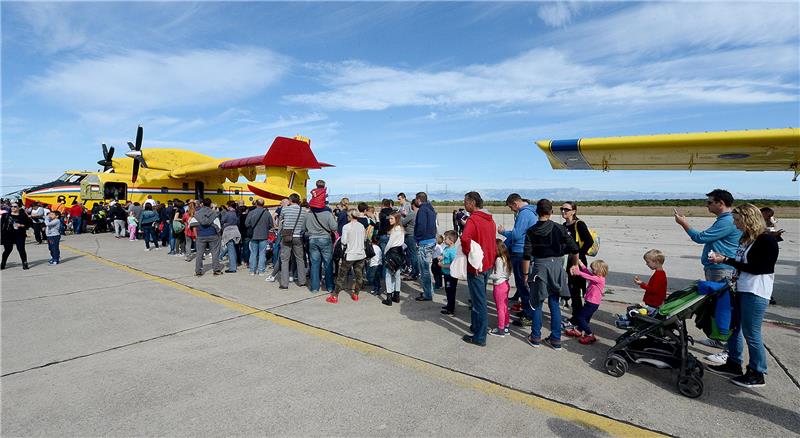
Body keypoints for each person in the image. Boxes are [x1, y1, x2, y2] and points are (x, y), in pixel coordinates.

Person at [707, 203, 779, 388]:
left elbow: (759, 268)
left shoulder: (766, 241)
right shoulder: (746, 239)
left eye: (738, 220)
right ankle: (733, 363)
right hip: (741, 288)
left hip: (755, 292)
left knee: (751, 333)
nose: (736, 224)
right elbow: (742, 264)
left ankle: (757, 372)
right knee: (734, 328)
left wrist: (726, 260)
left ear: (749, 219)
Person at [674, 189, 741, 349]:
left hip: (721, 269)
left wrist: (684, 223)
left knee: (723, 307)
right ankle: (718, 340)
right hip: (717, 268)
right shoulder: (724, 219)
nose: (707, 205)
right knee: (717, 306)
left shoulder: (726, 221)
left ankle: (725, 347)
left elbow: (701, 237)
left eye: (710, 202)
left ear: (721, 203)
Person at [521, 199, 579, 350]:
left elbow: (526, 256)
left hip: (540, 267)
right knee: (554, 304)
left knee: (537, 303)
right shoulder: (560, 228)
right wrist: (574, 264)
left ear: (536, 212)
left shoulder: (531, 231)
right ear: (551, 212)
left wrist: (526, 274)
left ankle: (535, 337)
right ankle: (556, 339)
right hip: (557, 268)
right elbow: (574, 248)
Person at [460, 191, 497, 347]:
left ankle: (480, 336)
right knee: (477, 299)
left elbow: (464, 238)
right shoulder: (490, 220)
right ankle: (475, 326)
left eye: (465, 202)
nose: (464, 205)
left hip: (476, 266)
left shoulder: (473, 220)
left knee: (479, 301)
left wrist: (470, 254)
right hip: (488, 263)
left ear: (472, 203)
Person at [498, 193, 538, 325]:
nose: (512, 210)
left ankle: (529, 315)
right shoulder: (530, 212)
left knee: (522, 284)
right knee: (523, 284)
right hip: (525, 251)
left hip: (520, 252)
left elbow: (516, 234)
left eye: (511, 207)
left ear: (515, 203)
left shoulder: (524, 213)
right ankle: (527, 310)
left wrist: (503, 232)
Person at [560, 201, 594, 329]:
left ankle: (578, 318)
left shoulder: (579, 224)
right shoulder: (564, 225)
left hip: (579, 262)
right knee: (573, 289)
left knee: (578, 290)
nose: (564, 211)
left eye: (567, 209)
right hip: (568, 261)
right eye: (562, 209)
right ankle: (578, 316)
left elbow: (589, 241)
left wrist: (578, 255)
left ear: (574, 211)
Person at [616, 249, 668, 329]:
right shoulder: (660, 273)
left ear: (656, 262)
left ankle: (630, 323)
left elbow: (654, 290)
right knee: (637, 310)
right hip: (654, 301)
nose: (647, 264)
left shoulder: (659, 275)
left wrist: (642, 284)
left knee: (638, 312)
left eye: (648, 262)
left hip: (654, 303)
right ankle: (628, 320)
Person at [565, 259, 609, 345]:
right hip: (590, 302)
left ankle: (590, 335)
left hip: (592, 303)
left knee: (580, 318)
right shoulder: (596, 277)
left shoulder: (600, 279)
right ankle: (579, 330)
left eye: (594, 269)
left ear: (600, 270)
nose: (592, 271)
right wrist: (581, 264)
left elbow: (587, 276)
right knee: (585, 318)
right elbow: (588, 273)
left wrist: (579, 272)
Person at [328, 209, 367, 303]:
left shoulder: (347, 226)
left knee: (341, 276)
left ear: (349, 216)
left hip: (350, 254)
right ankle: (356, 294)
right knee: (359, 276)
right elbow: (365, 238)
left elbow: (344, 241)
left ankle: (335, 296)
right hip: (360, 254)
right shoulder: (361, 226)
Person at [305, 203, 337, 292]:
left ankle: (315, 287)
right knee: (328, 263)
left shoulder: (308, 214)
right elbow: (334, 227)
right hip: (325, 239)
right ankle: (330, 286)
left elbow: (303, 228)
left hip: (312, 239)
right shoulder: (327, 214)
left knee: (314, 264)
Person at [278, 194, 307, 289]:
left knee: (285, 260)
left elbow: (281, 221)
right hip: (298, 236)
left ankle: (284, 283)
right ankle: (302, 281)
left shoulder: (285, 209)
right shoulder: (303, 210)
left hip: (286, 236)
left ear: (290, 200)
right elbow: (304, 224)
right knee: (300, 259)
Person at [413, 192, 438, 302]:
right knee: (426, 269)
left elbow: (421, 226)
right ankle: (429, 291)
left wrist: (417, 239)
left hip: (424, 242)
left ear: (418, 200)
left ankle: (428, 294)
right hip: (431, 241)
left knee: (424, 270)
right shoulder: (431, 209)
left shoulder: (422, 210)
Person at [191, 198, 223, 276]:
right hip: (213, 235)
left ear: (202, 204)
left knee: (199, 254)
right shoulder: (214, 213)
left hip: (201, 235)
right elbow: (218, 226)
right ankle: (216, 270)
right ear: (210, 204)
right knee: (215, 253)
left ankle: (198, 271)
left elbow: (192, 224)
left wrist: (196, 235)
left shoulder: (197, 213)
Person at [488, 238, 512, 337]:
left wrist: (488, 276)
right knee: (504, 307)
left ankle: (500, 329)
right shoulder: (505, 257)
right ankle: (506, 326)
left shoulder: (498, 259)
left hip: (499, 286)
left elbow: (497, 275)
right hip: (505, 284)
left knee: (500, 308)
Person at [245, 199, 274, 275]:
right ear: (263, 204)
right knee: (262, 253)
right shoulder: (267, 213)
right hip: (264, 235)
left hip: (253, 235)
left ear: (256, 204)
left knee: (253, 253)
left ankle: (252, 270)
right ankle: (261, 270)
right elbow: (271, 225)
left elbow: (246, 224)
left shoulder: (251, 213)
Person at [382, 212, 405, 306]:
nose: (389, 220)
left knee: (388, 274)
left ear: (397, 219)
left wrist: (384, 252)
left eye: (392, 218)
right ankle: (397, 295)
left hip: (392, 252)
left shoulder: (395, 230)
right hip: (400, 252)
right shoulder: (401, 229)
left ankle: (389, 297)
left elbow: (390, 243)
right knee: (397, 275)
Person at [1, 202, 32, 270]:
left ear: (19, 207)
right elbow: (1, 226)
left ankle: (25, 263)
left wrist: (21, 225)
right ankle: (3, 263)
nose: (13, 208)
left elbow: (29, 224)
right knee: (8, 250)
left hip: (19, 235)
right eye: (11, 206)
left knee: (21, 249)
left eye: (15, 206)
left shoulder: (23, 215)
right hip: (8, 235)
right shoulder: (5, 215)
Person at [438, 230, 459, 316]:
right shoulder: (447, 248)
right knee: (447, 290)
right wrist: (441, 257)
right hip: (446, 274)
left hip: (451, 275)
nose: (444, 240)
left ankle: (451, 309)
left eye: (446, 239)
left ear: (451, 241)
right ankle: (449, 305)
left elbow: (453, 264)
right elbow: (444, 255)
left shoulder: (453, 251)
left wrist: (442, 265)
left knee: (451, 291)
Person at [219, 201, 241, 273]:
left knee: (231, 251)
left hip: (229, 233)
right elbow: (238, 223)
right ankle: (234, 264)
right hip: (236, 232)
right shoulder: (237, 214)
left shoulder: (227, 214)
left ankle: (232, 268)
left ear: (229, 206)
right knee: (233, 250)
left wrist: (225, 224)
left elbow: (222, 221)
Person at [401, 200, 418, 280]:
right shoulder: (418, 214)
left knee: (413, 255)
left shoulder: (412, 214)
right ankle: (415, 271)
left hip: (410, 236)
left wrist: (402, 215)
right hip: (415, 235)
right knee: (414, 254)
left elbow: (403, 222)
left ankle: (414, 272)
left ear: (413, 205)